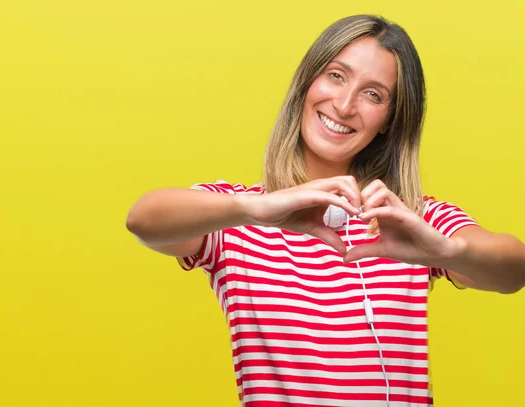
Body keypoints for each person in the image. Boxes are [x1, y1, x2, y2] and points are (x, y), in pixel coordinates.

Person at [126, 14, 525, 407]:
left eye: (374, 94)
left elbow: (514, 271)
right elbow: (143, 220)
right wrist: (255, 209)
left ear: (389, 120)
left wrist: (446, 251)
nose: (345, 104)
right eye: (336, 75)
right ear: (308, 82)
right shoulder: (239, 216)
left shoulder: (411, 218)